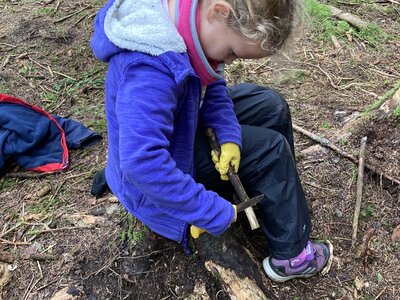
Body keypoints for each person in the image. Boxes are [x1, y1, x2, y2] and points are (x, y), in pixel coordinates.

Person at [90, 0, 332, 283]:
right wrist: (206, 210)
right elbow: (142, 164)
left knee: (270, 105)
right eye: (232, 52)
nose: (228, 62)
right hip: (159, 178)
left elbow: (212, 83)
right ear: (219, 11)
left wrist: (228, 134)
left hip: (181, 124)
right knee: (270, 150)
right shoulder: (149, 69)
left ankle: (278, 203)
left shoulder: (190, 20)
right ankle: (291, 258)